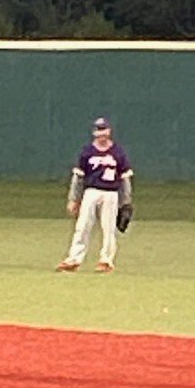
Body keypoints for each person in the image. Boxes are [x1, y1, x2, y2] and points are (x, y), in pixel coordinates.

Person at [56, 116, 133, 273]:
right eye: (99, 130)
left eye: (104, 130)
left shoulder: (118, 152)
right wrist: (74, 199)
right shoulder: (87, 152)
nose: (102, 134)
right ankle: (74, 259)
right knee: (82, 226)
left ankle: (106, 261)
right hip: (91, 192)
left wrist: (125, 201)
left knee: (108, 228)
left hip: (111, 193)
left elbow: (125, 179)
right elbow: (78, 177)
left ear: (109, 131)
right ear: (94, 133)